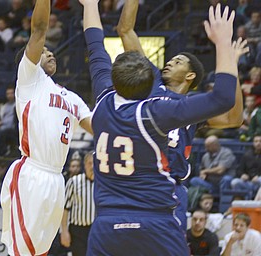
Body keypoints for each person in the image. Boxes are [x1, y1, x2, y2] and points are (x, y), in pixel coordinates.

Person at [80, 0, 237, 254]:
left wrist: (89, 5)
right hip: (155, 220)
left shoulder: (102, 100)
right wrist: (223, 44)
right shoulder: (157, 113)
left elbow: (95, 44)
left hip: (107, 223)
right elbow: (222, 98)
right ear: (149, 86)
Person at [0, 0, 92, 255]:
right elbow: (39, 29)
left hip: (57, 179)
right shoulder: (30, 81)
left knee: (41, 250)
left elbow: (100, 127)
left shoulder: (72, 98)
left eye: (51, 51)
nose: (50, 53)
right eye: (44, 51)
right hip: (32, 173)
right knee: (22, 252)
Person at [60, 151, 94, 256]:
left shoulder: (103, 183)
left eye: (95, 163)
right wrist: (64, 231)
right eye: (89, 163)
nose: (92, 166)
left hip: (97, 229)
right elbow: (65, 209)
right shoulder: (74, 182)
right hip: (78, 231)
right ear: (84, 165)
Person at [230, 134, 261, 199]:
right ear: (253, 143)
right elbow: (239, 170)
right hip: (248, 182)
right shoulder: (247, 155)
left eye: (260, 141)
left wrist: (257, 176)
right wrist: (242, 175)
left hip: (259, 181)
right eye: (256, 141)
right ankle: (242, 201)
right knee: (234, 182)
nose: (258, 143)